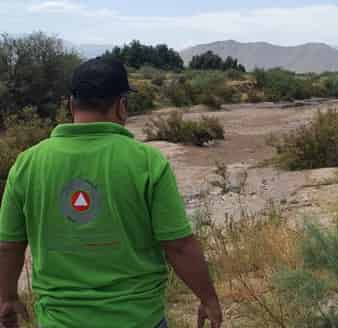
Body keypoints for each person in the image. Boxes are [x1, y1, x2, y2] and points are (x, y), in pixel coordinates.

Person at [0, 58, 223, 328]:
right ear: (121, 106)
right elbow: (178, 245)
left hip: (59, 321)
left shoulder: (27, 163)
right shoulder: (147, 162)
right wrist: (208, 298)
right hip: (139, 320)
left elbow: (8, 245)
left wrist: (7, 298)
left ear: (71, 105)